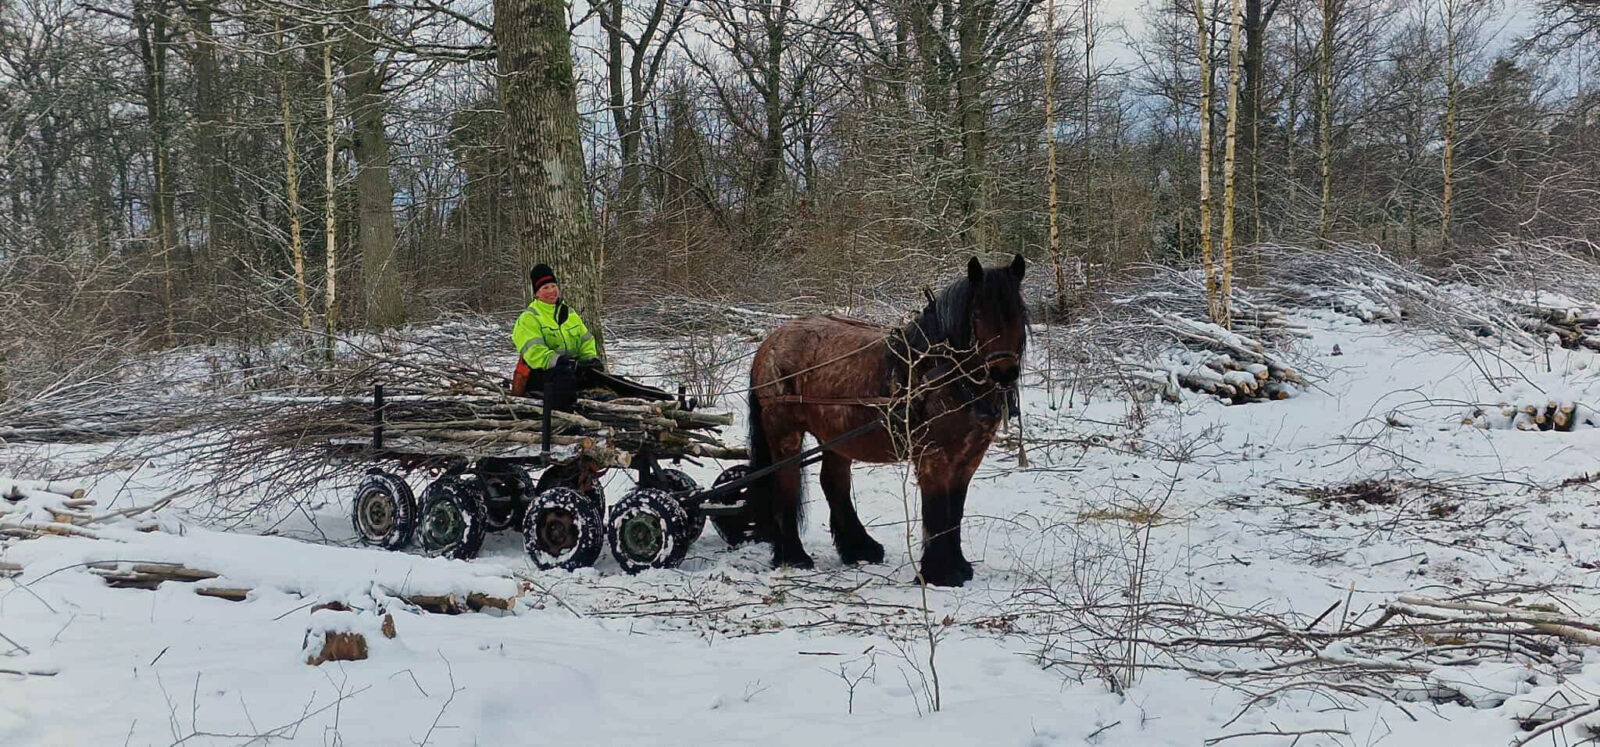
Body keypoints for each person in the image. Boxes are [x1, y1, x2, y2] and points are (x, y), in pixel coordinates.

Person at [511, 264, 602, 405]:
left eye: (553, 286)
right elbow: (533, 352)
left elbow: (586, 340)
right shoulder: (529, 318)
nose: (551, 291)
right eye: (545, 288)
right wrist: (556, 361)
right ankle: (567, 420)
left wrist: (590, 359)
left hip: (570, 370)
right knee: (563, 378)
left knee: (599, 378)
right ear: (536, 293)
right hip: (542, 375)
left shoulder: (569, 313)